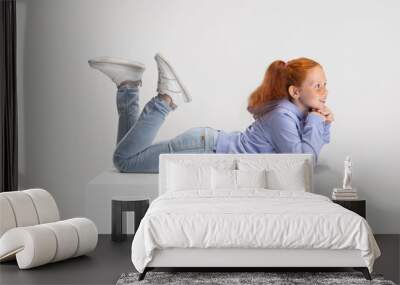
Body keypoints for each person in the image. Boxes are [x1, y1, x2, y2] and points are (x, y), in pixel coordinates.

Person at [88, 54, 333, 173]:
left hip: (205, 144)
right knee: (125, 161)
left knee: (128, 156)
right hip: (204, 148)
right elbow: (304, 161)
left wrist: (321, 123)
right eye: (317, 85)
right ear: (295, 91)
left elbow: (305, 150)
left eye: (324, 83)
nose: (324, 91)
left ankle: (128, 86)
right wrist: (315, 120)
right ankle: (166, 100)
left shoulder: (291, 113)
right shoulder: (283, 116)